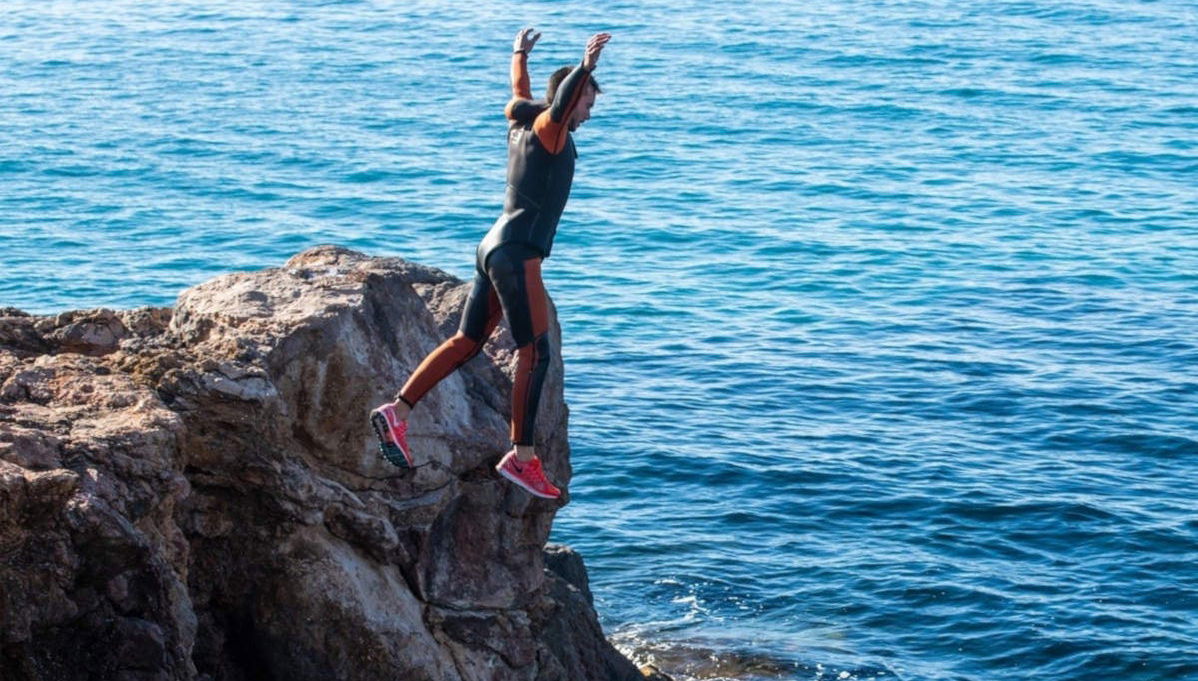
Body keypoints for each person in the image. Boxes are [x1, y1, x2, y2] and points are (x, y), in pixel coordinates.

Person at [370, 28, 612, 500]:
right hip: (517, 252)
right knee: (534, 352)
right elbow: (559, 106)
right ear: (573, 96)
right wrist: (586, 67)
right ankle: (522, 458)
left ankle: (396, 413)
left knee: (467, 341)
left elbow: (519, 91)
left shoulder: (522, 122)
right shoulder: (549, 130)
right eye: (587, 103)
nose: (589, 113)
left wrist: (519, 52)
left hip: (492, 247)